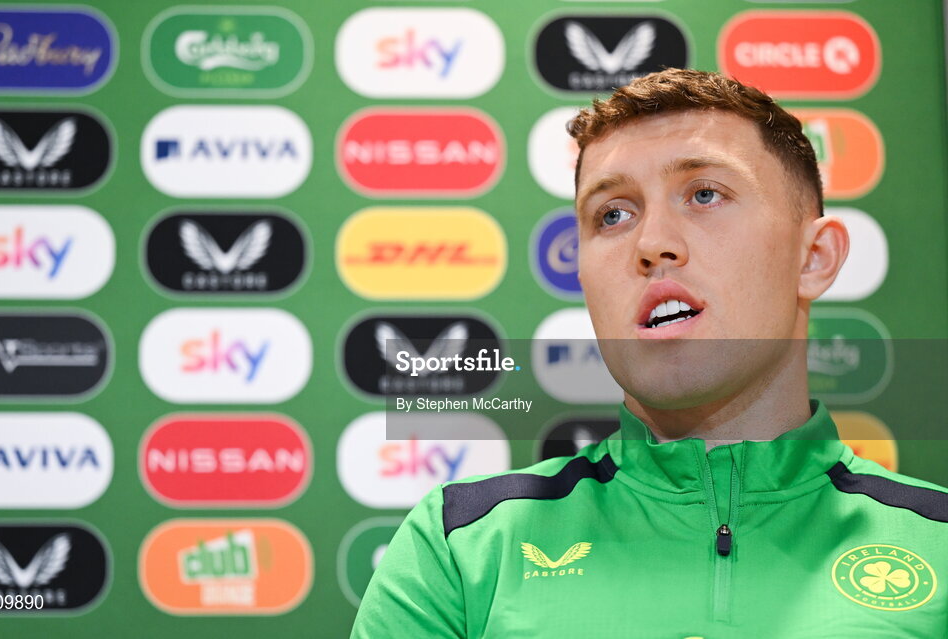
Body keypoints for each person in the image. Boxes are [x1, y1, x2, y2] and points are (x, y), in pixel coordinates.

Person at [350, 68, 948, 637]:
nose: (653, 243)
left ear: (813, 258)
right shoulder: (463, 544)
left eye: (705, 194)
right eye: (612, 214)